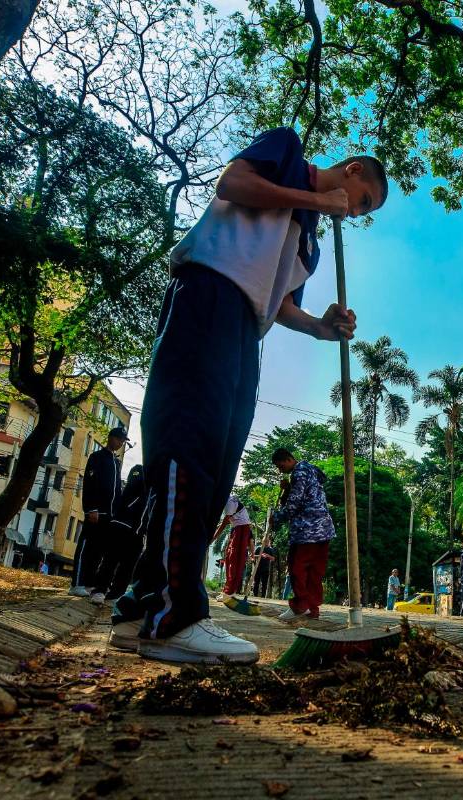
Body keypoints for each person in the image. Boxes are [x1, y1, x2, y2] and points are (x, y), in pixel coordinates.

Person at [111, 127, 386, 665]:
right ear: (352, 171)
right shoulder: (287, 153)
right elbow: (233, 183)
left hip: (246, 329)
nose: (355, 213)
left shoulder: (308, 235)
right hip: (207, 293)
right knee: (187, 446)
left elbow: (282, 303)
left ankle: (141, 609)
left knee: (216, 465)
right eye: (362, 202)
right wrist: (313, 197)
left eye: (363, 212)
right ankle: (176, 616)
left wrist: (321, 327)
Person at [271, 448, 337, 622]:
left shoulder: (298, 473)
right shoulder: (311, 469)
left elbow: (295, 502)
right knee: (314, 571)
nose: (280, 470)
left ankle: (300, 606)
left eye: (280, 466)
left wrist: (276, 518)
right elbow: (309, 492)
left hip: (307, 530)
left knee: (297, 568)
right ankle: (312, 609)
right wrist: (288, 488)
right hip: (324, 528)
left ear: (287, 460)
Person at [71, 427, 125, 603]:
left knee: (99, 551)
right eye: (118, 439)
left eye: (122, 440)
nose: (120, 443)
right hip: (96, 512)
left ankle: (89, 584)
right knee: (86, 547)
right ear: (110, 438)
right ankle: (77, 583)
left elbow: (117, 491)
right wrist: (91, 508)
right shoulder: (97, 458)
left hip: (110, 516)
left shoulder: (116, 463)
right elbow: (89, 483)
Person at [99, 465, 146, 602]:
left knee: (126, 565)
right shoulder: (140, 474)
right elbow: (131, 490)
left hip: (137, 531)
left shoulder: (160, 484)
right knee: (112, 560)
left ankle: (114, 593)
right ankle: (101, 590)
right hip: (123, 526)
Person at [218, 495, 254, 596]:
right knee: (229, 559)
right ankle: (227, 590)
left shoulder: (228, 503)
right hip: (237, 529)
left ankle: (230, 592)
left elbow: (251, 542)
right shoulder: (226, 501)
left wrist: (252, 554)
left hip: (241, 530)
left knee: (234, 561)